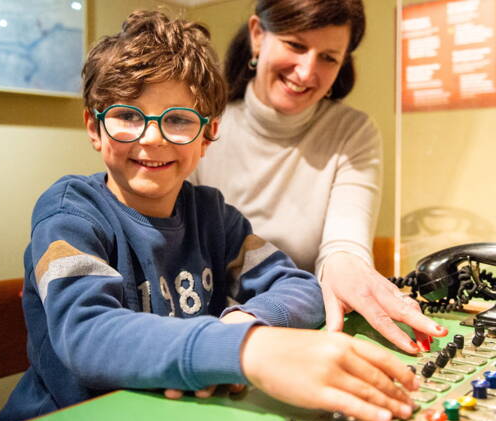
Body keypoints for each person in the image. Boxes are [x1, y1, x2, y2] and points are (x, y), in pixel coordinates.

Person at [0, 10, 418, 421]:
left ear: (210, 134)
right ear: (94, 126)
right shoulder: (70, 213)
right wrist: (244, 349)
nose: (152, 137)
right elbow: (85, 333)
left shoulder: (214, 217)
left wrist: (247, 320)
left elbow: (299, 285)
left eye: (178, 120)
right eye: (127, 116)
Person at [190, 0, 447, 355]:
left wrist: (350, 268)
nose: (307, 72)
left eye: (329, 57)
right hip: (213, 331)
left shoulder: (352, 131)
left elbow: (344, 245)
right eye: (296, 45)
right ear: (257, 35)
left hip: (302, 323)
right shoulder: (198, 125)